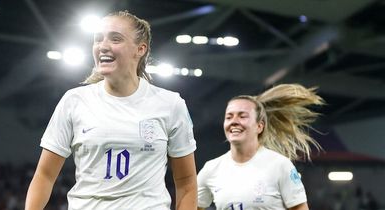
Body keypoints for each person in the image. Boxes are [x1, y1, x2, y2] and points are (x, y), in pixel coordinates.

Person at [25, 10, 197, 210]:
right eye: (98, 40)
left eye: (115, 39)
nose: (103, 46)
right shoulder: (74, 101)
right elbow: (44, 176)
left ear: (140, 49)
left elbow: (186, 182)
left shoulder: (170, 104)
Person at [197, 84, 325, 210]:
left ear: (259, 126)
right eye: (229, 117)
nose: (234, 121)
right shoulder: (211, 169)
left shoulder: (280, 165)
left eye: (242, 116)